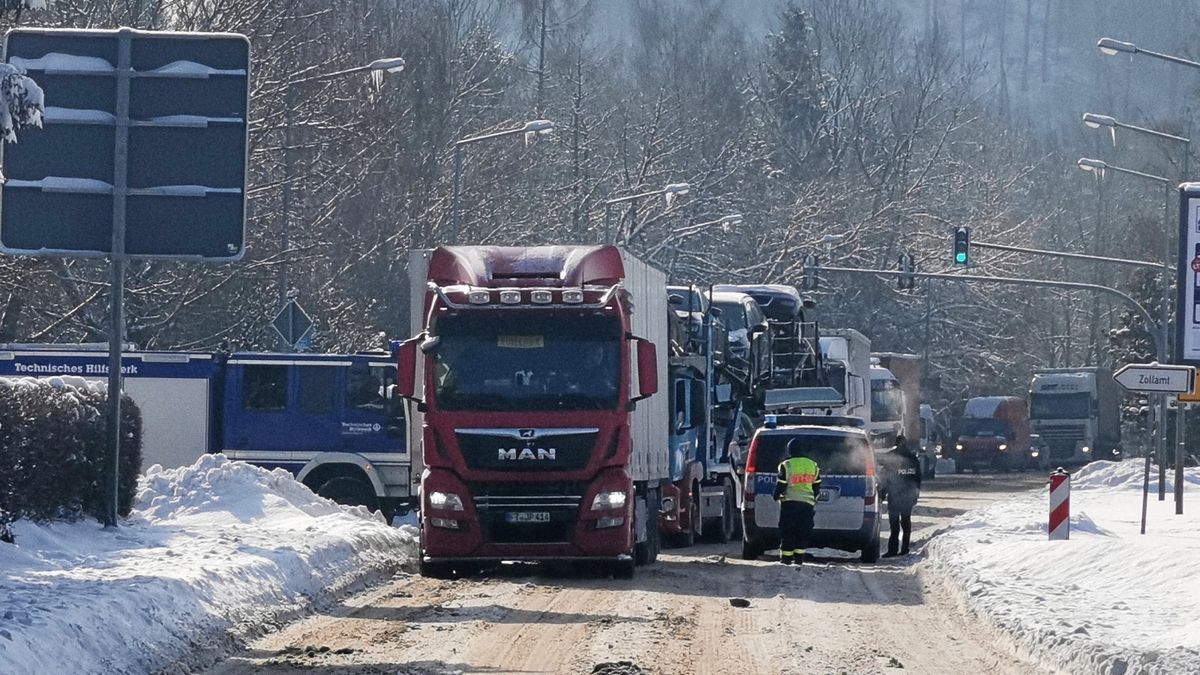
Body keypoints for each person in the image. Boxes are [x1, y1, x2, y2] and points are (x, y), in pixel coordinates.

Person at [773, 438, 821, 566]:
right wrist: (813, 500)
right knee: (803, 531)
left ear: (790, 450)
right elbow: (816, 486)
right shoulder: (813, 465)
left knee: (788, 531)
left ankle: (786, 559)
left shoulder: (786, 465)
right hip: (807, 505)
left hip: (789, 504)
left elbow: (781, 485)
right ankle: (799, 559)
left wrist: (776, 496)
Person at [879, 434, 922, 557]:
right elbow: (917, 479)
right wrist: (916, 494)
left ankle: (893, 550)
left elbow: (886, 478)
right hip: (907, 495)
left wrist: (883, 493)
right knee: (906, 522)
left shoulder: (892, 457)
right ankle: (904, 549)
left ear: (896, 444)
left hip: (895, 495)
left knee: (895, 524)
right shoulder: (913, 458)